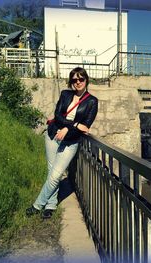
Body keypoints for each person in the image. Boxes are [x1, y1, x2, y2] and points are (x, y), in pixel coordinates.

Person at [26, 67, 98, 219]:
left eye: (80, 79)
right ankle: (51, 205)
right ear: (71, 82)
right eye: (74, 80)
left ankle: (37, 205)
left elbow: (86, 125)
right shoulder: (65, 94)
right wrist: (73, 125)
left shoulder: (92, 101)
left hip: (70, 142)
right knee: (51, 172)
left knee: (55, 175)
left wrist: (68, 129)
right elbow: (57, 115)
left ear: (86, 80)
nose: (77, 82)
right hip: (53, 135)